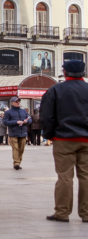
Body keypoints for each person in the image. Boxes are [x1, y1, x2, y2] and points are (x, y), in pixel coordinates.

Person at [41, 60, 88, 223]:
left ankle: (62, 212)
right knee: (86, 177)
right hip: (87, 140)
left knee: (64, 177)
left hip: (63, 138)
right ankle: (86, 213)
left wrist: (49, 135)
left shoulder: (55, 90)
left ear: (65, 72)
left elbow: (47, 116)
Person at [3, 97, 32, 170]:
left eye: (19, 101)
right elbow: (5, 122)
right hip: (13, 133)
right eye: (16, 101)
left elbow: (30, 119)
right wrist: (16, 122)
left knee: (21, 148)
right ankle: (16, 163)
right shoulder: (8, 112)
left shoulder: (24, 111)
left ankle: (19, 161)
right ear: (12, 103)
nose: (18, 102)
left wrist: (27, 121)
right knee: (15, 148)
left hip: (23, 132)